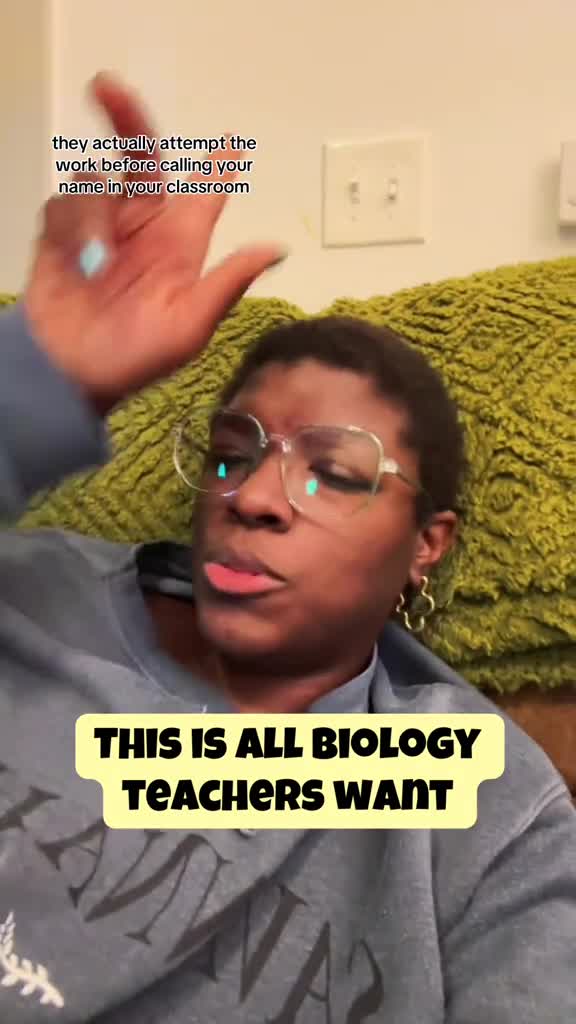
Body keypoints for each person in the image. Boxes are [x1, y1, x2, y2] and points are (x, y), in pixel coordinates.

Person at [0, 72, 573, 1024]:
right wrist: (37, 382)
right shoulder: (35, 597)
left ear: (427, 545)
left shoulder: (489, 810)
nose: (255, 497)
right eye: (230, 455)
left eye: (336, 474)